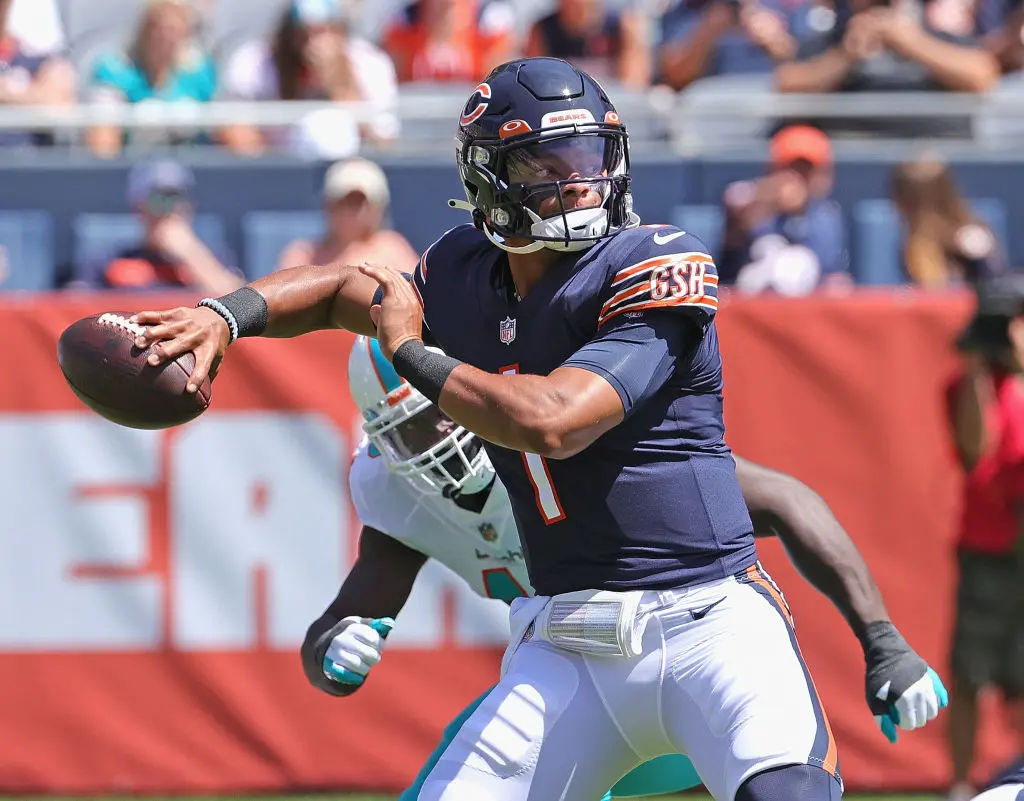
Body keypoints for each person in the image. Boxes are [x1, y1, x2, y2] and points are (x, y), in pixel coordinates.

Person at [133, 57, 947, 801]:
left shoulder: (652, 261)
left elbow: (555, 423)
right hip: (560, 645)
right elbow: (349, 286)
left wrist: (410, 348)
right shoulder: (459, 274)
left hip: (710, 622)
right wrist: (224, 314)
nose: (579, 184)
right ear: (488, 179)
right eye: (545, 167)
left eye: (589, 159)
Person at [301, 334, 948, 801]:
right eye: (418, 428)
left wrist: (881, 638)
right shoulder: (397, 494)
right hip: (570, 665)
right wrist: (332, 651)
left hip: (703, 641)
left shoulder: (569, 424)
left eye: (450, 409)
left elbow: (780, 498)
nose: (445, 437)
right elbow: (340, 620)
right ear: (384, 440)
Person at [946, 276, 1024, 801]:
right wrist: (977, 363)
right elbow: (977, 450)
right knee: (971, 669)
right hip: (989, 547)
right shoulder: (964, 385)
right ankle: (958, 782)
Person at [76, 160, 242, 294]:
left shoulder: (214, 257)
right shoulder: (108, 259)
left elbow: (241, 313)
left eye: (177, 198)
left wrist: (191, 255)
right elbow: (72, 309)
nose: (171, 210)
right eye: (160, 199)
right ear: (137, 208)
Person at [86, 0, 217, 158]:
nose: (166, 38)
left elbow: (226, 123)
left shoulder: (199, 70)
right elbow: (102, 141)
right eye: (158, 29)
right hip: (130, 168)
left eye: (173, 30)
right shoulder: (115, 70)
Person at [275, 158, 418, 273]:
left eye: (358, 203)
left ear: (377, 209)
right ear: (328, 204)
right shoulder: (300, 254)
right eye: (343, 202)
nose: (350, 212)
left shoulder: (393, 249)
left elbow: (416, 300)